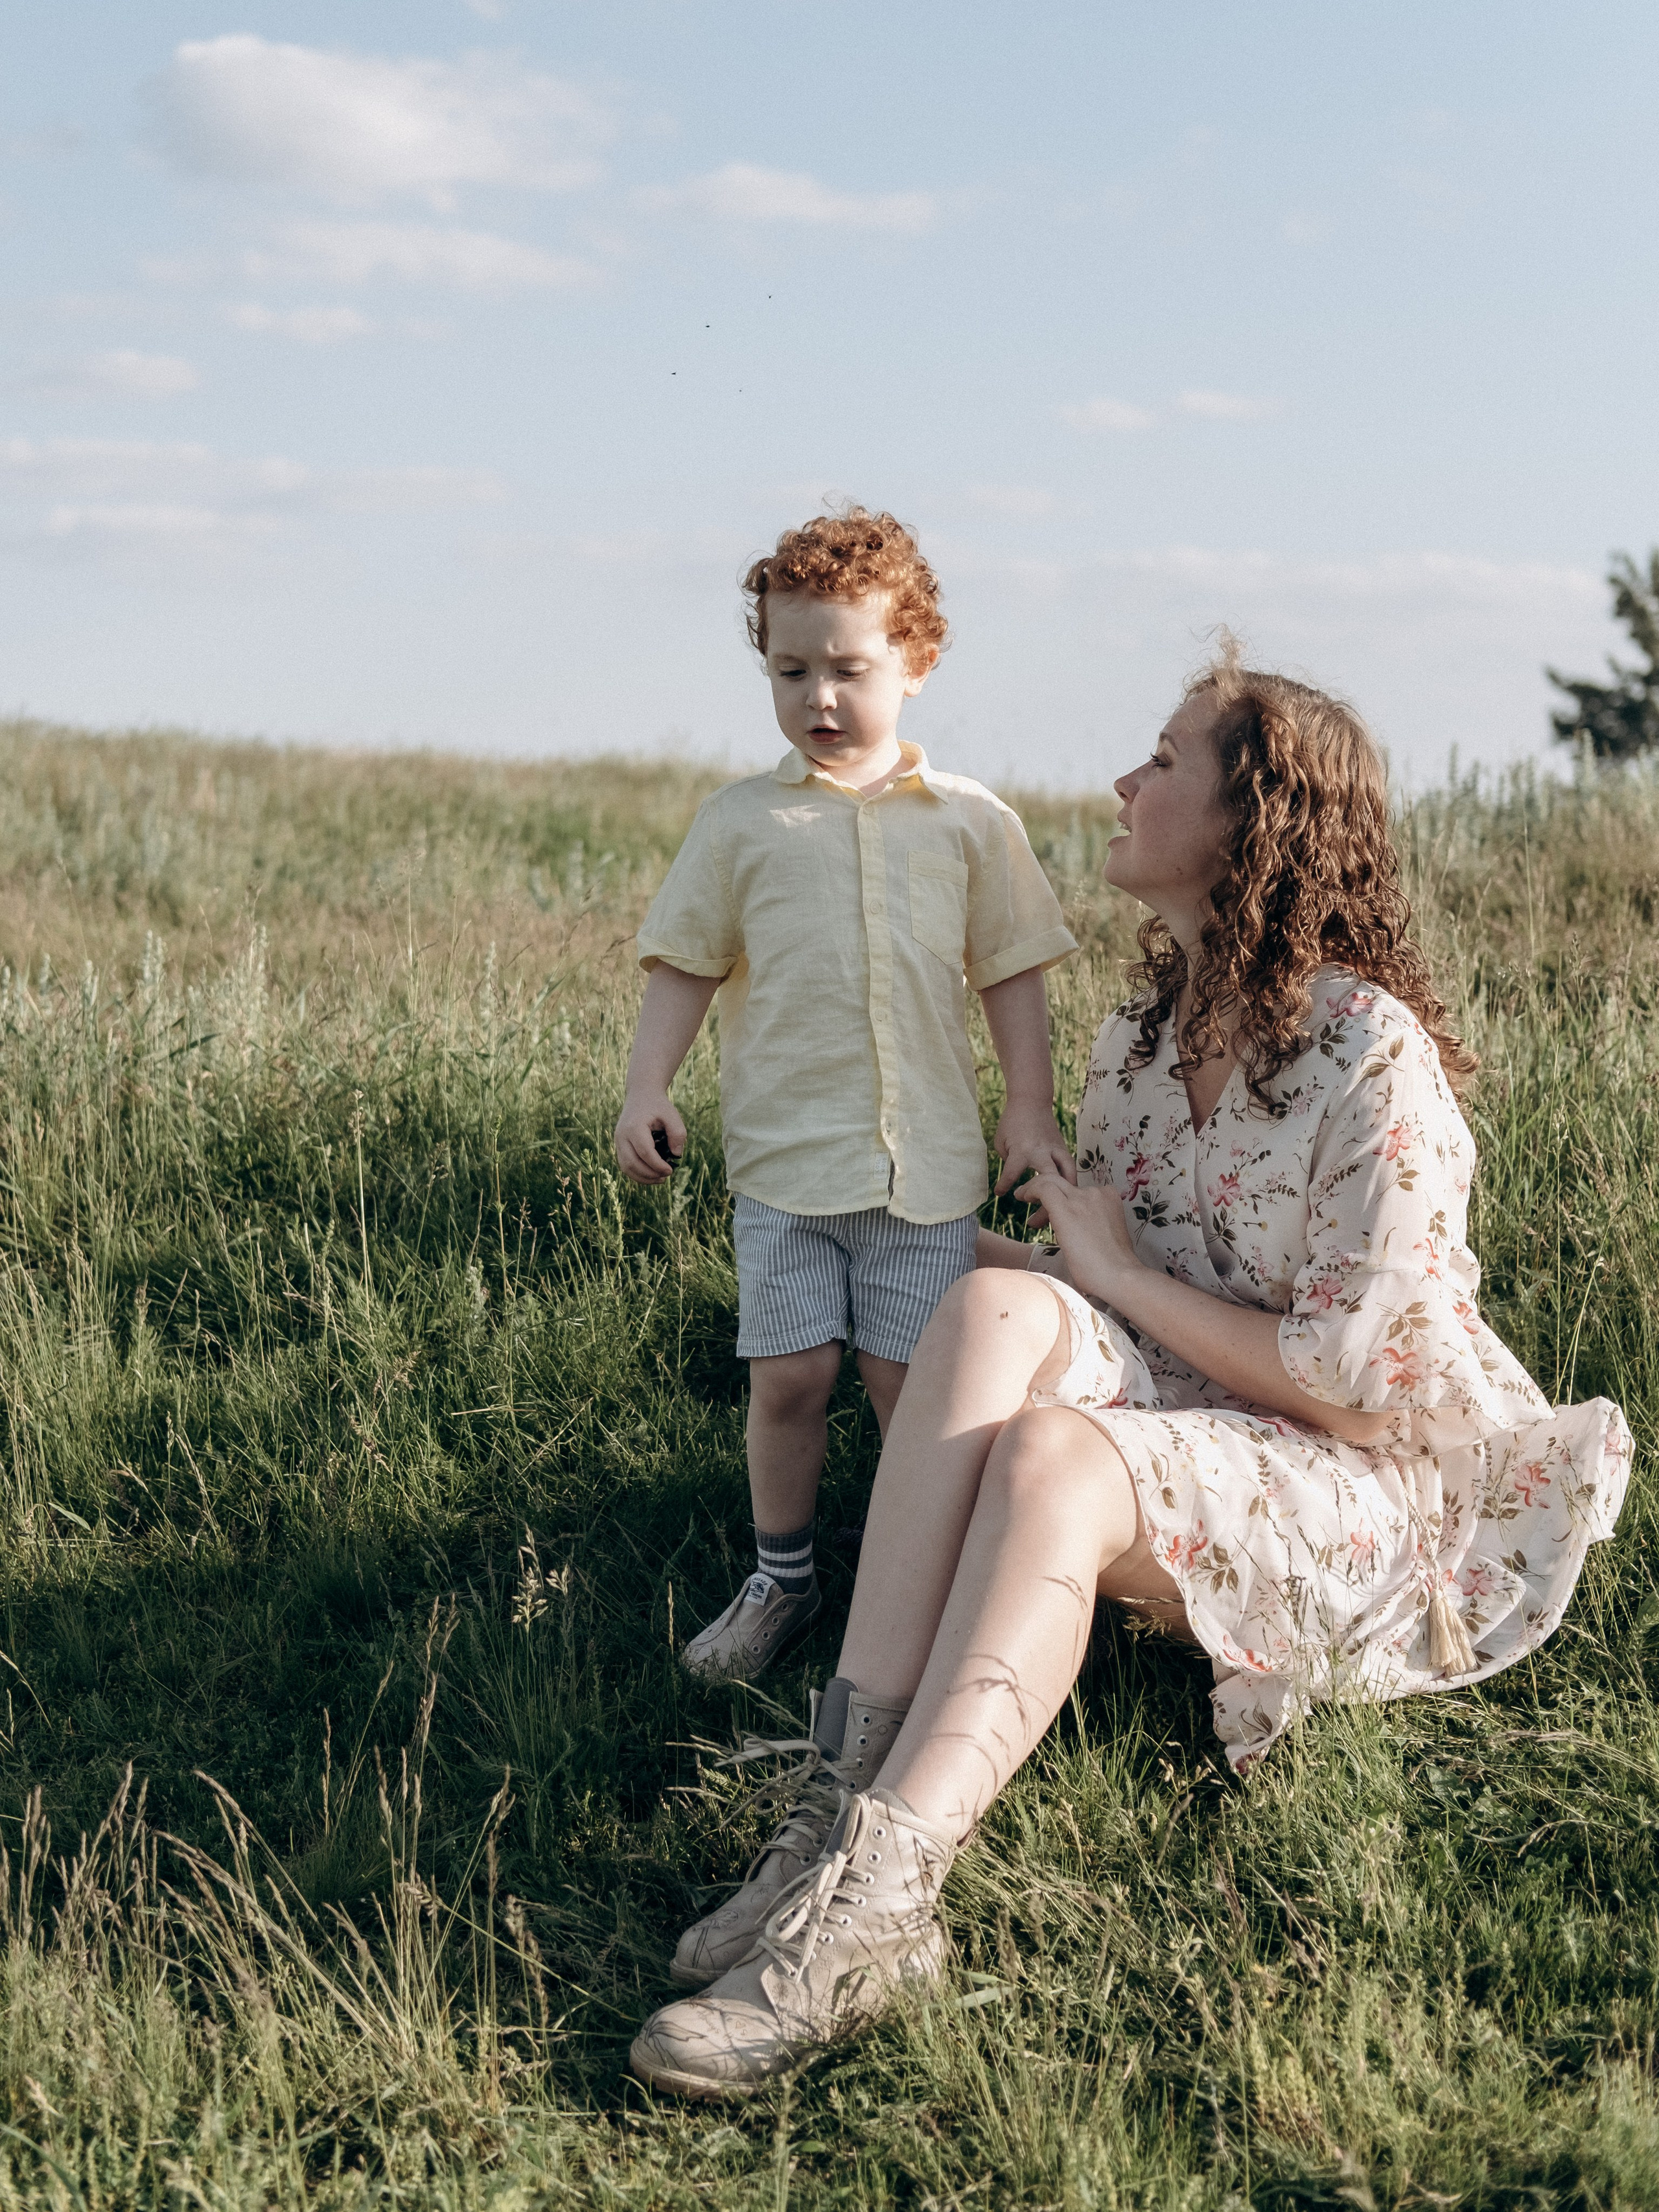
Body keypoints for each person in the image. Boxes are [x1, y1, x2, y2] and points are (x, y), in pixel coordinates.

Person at [627, 642, 1632, 2099]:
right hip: (1205, 1410)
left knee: (1055, 1455)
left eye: (1162, 760)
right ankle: (831, 1812)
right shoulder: (1141, 1042)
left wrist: (1112, 1280)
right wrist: (892, 1236)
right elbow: (1104, 1277)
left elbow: (1355, 1389)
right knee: (983, 1311)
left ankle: (884, 1904)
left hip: (1371, 1481)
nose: (1122, 781)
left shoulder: (1370, 1056)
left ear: (1251, 821)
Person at [614, 507, 1078, 1690]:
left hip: (925, 1174)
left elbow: (1013, 972)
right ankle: (784, 1578)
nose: (818, 698)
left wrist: (1029, 1112)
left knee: (908, 1392)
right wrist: (647, 1086)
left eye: (848, 669)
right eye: (791, 671)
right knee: (791, 1377)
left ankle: (919, 1586)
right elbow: (685, 964)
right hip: (787, 1169)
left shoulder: (971, 822)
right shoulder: (741, 822)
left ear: (916, 661)